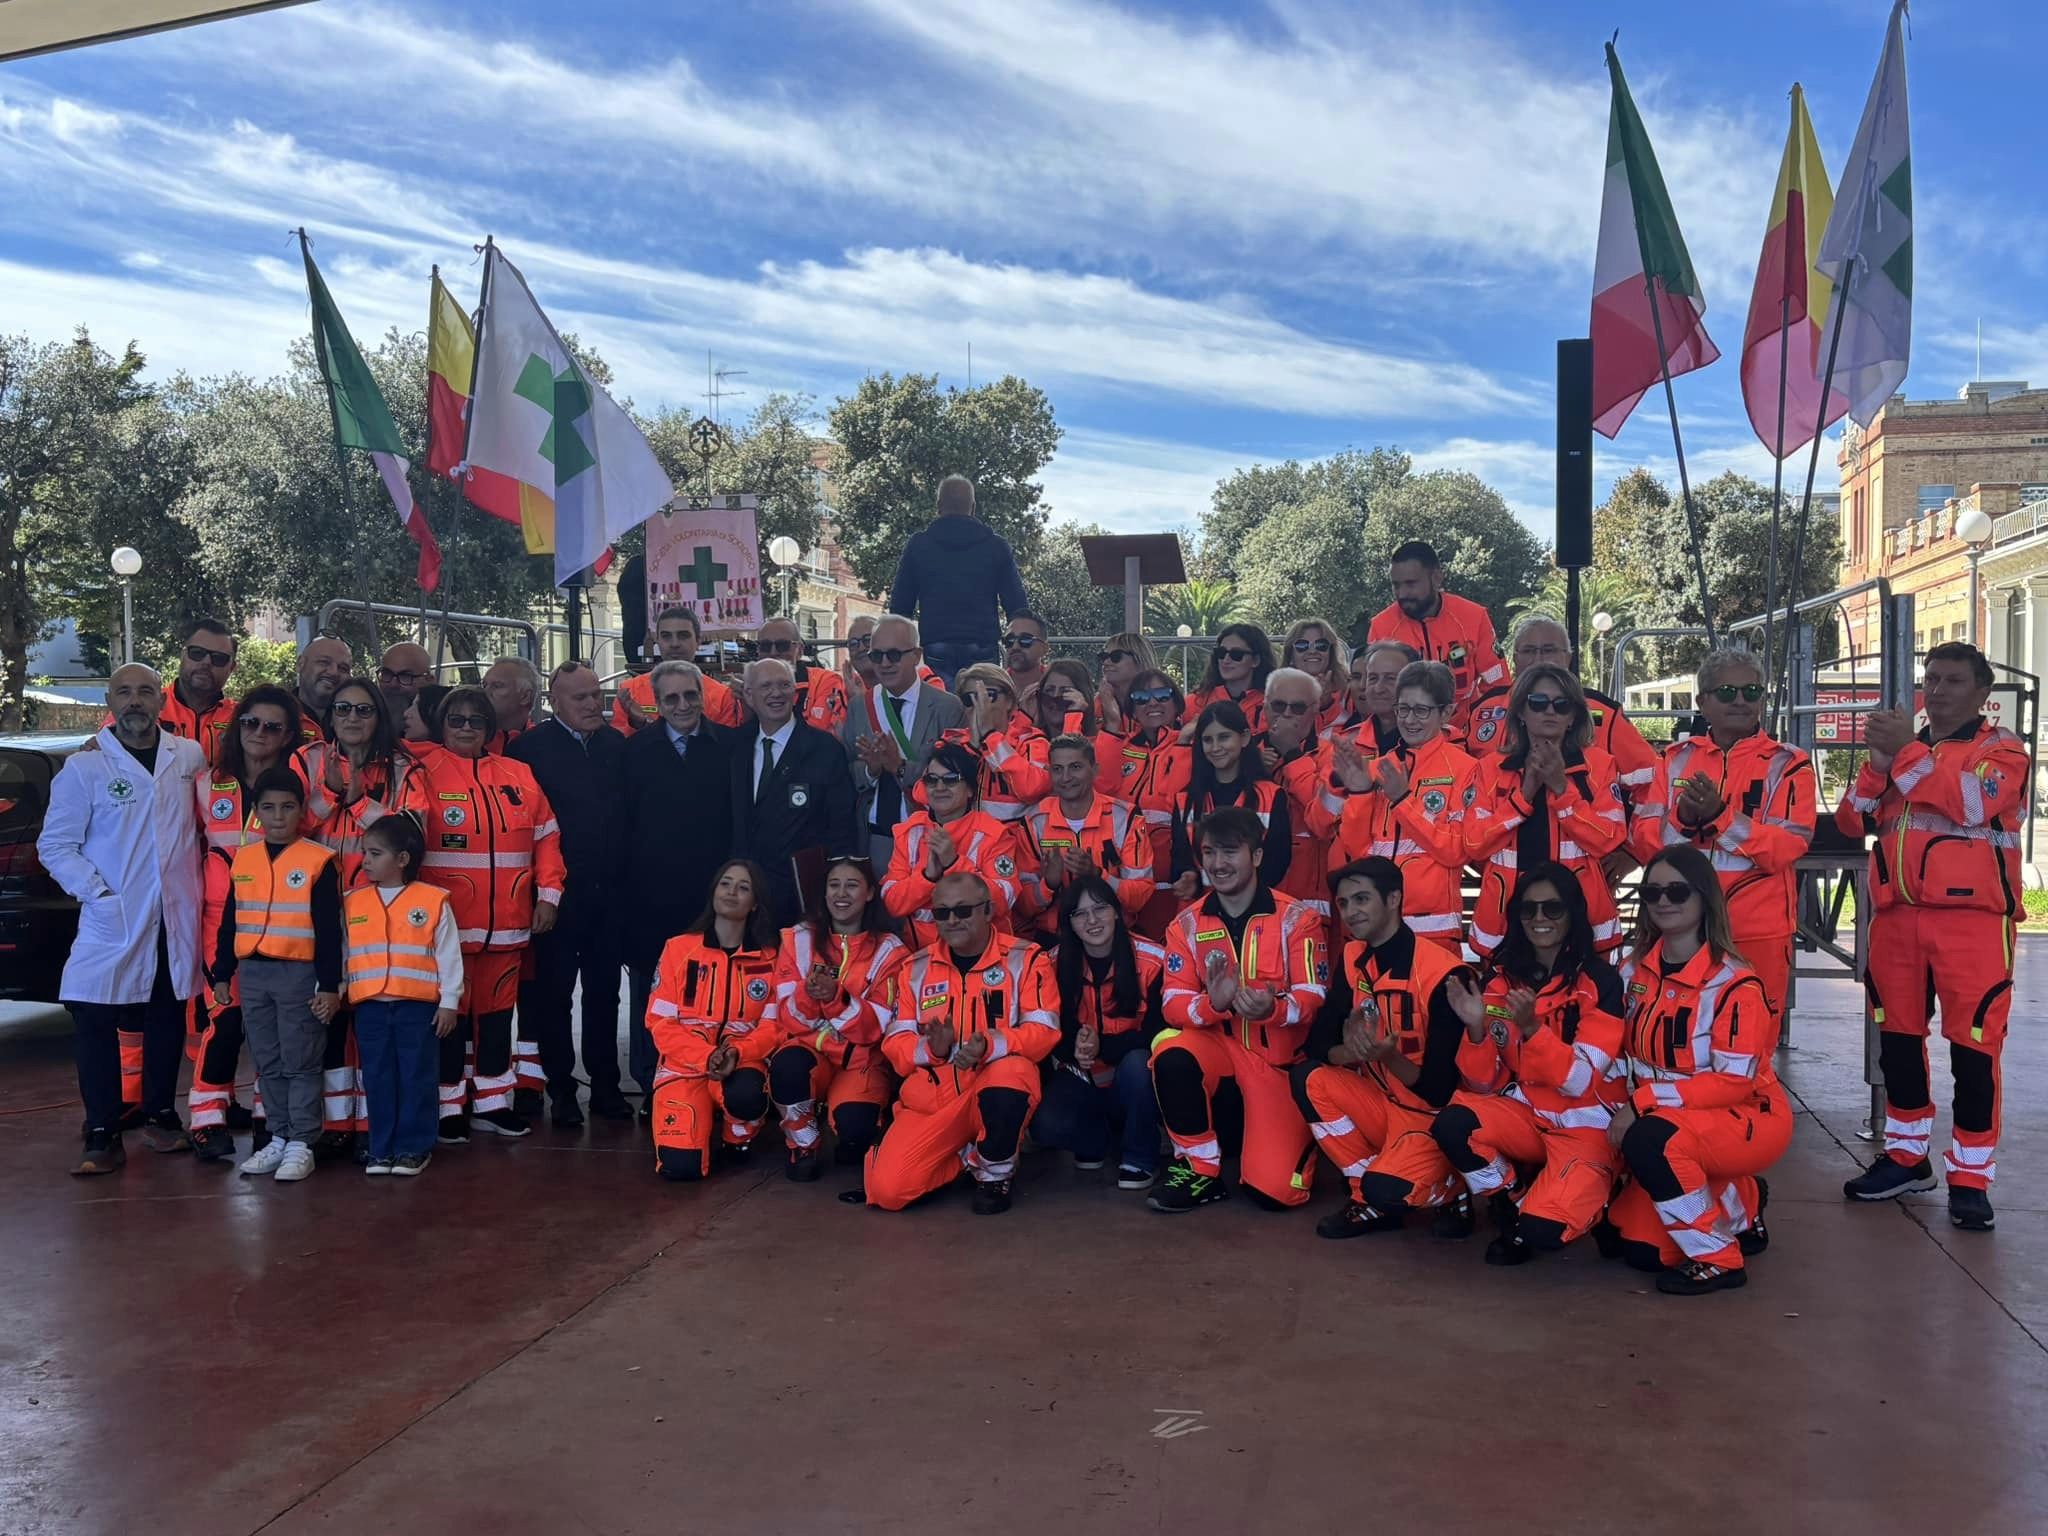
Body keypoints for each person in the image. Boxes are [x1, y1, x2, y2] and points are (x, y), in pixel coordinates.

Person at [1837, 642, 2028, 1231]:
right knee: (1896, 1042)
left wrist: (1904, 754)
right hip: (1896, 918)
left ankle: (1971, 1178)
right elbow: (1852, 819)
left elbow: (1970, 802)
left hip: (1972, 924)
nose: (1938, 689)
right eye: (1931, 679)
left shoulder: (2002, 750)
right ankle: (1905, 1155)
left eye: (1952, 680)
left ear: (1981, 691)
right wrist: (1876, 765)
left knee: (1973, 1049)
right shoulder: (1903, 753)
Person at [39, 664, 209, 1174]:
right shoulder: (85, 768)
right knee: (92, 1014)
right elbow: (56, 845)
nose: (135, 701)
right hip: (112, 915)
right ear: (110, 701)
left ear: (162, 701)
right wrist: (98, 892)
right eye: (124, 692)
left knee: (164, 1014)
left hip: (175, 913)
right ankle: (101, 1128)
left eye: (146, 692)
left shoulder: (190, 756)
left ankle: (161, 1114)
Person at [1605, 845, 1789, 1295]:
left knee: (1651, 1140)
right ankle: (1742, 1201)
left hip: (1745, 1117)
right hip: (1672, 1123)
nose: (1663, 901)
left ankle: (1718, 1258)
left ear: (1704, 897)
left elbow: (1732, 1082)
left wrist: (1642, 1102)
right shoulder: (1633, 972)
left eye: (1677, 891)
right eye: (1652, 892)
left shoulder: (1735, 983)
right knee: (1630, 1246)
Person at [1429, 862, 1626, 1264]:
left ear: (1571, 913)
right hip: (1528, 1113)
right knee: (1453, 1122)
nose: (1540, 918)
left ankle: (1603, 1196)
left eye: (1552, 909)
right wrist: (1476, 1029)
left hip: (1587, 1124)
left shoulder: (1602, 982)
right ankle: (1514, 1200)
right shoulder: (1502, 980)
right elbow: (1483, 1084)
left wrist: (1534, 1031)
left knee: (1545, 1233)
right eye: (1529, 910)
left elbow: (1578, 1081)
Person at [1149, 807, 1327, 1212]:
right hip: (1219, 1052)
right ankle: (1199, 1168)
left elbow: (1313, 996)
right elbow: (1173, 1005)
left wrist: (1273, 1008)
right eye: (1209, 853)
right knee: (1170, 1050)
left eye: (1230, 851)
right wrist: (1214, 1004)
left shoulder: (1297, 919)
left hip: (1275, 1066)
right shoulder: (1186, 924)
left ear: (1257, 857)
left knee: (1278, 1193)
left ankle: (1298, 1139)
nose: (1217, 863)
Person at [1291, 858, 1474, 1238]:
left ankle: (1453, 1187)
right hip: (1382, 1105)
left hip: (1432, 1120)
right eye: (1343, 904)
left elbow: (1441, 1089)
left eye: (1361, 899)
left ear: (1394, 898)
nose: (1351, 912)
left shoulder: (1444, 972)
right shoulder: (1352, 957)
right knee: (1309, 1077)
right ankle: (1365, 1196)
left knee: (1390, 1189)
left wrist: (1386, 1055)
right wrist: (1350, 1052)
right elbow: (1318, 1043)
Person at [1630, 648, 1815, 1022]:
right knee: (1677, 1037)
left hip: (1756, 931)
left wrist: (1720, 817)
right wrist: (1682, 819)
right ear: (1703, 701)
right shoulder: (1673, 759)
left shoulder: (1788, 763)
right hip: (1681, 927)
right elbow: (1643, 841)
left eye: (1753, 692)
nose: (1742, 701)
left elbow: (1786, 848)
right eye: (1728, 692)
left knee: (1753, 1046)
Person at [861, 870, 1058, 1214]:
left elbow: (1045, 1032)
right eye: (942, 913)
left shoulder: (1026, 959)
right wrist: (932, 1050)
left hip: (993, 1083)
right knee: (887, 1192)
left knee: (1011, 1072)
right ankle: (968, 1156)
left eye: (963, 910)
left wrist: (992, 1045)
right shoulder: (915, 968)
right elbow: (895, 1043)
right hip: (934, 1099)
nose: (952, 920)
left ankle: (994, 1176)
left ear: (987, 910)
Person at [418, 684, 564, 1141]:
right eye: (456, 720)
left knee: (498, 1018)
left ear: (489, 728)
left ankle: (493, 1104)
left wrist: (548, 897)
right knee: (450, 1018)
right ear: (441, 725)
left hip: (508, 926)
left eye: (475, 721)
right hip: (447, 930)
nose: (465, 728)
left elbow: (547, 838)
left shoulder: (519, 774)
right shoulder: (422, 771)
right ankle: (447, 1108)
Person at [298, 677, 430, 1155]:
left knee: (374, 1025)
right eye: (342, 709)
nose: (352, 718)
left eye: (363, 710)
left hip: (380, 918)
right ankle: (334, 1127)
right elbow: (276, 821)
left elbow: (414, 837)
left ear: (379, 716)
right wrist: (327, 796)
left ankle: (375, 1128)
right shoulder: (306, 760)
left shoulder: (404, 769)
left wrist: (359, 802)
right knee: (326, 1023)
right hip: (314, 914)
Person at [210, 766, 344, 1185]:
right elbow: (230, 921)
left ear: (302, 811)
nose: (278, 816)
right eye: (268, 808)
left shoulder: (318, 861)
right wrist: (221, 973)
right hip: (252, 974)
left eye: (287, 807)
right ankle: (280, 1135)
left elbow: (328, 930)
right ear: (256, 813)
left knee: (301, 1059)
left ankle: (303, 1140)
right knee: (267, 1060)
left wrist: (329, 985)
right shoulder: (244, 859)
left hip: (299, 975)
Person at [510, 661, 630, 1126]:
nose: (590, 704)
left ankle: (605, 1087)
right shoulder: (529, 751)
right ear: (553, 702)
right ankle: (560, 1090)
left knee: (605, 994)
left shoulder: (616, 746)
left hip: (609, 895)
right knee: (552, 996)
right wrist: (542, 893)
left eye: (595, 694)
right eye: (579, 697)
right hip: (557, 898)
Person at [189, 685, 305, 1148]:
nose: (259, 732)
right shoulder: (205, 782)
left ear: (287, 736)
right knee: (224, 1021)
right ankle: (206, 1118)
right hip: (218, 922)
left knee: (271, 1024)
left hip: (280, 920)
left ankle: (268, 1119)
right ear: (238, 727)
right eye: (251, 722)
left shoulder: (295, 787)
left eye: (272, 726)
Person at [618, 659, 733, 1121]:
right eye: (671, 698)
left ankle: (717, 1081)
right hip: (652, 895)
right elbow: (624, 826)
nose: (683, 705)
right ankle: (652, 1082)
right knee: (654, 992)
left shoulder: (728, 748)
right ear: (657, 703)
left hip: (712, 896)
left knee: (714, 992)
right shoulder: (636, 752)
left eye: (690, 695)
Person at [1463, 665, 1627, 959]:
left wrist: (1562, 792)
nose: (1549, 711)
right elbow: (1475, 843)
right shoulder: (1490, 768)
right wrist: (1523, 796)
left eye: (1561, 705)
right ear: (1521, 713)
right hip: (1507, 920)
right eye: (1538, 703)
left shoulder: (1600, 765)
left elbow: (1609, 839)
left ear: (1573, 716)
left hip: (1579, 918)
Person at [765, 855, 908, 1181]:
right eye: (834, 885)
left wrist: (835, 999)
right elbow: (786, 1017)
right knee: (788, 1067)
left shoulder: (891, 951)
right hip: (810, 1054)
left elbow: (876, 1028)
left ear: (870, 893)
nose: (841, 894)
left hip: (859, 1062)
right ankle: (803, 1143)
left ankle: (854, 1125)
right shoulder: (797, 939)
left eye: (852, 885)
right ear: (824, 893)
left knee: (855, 1137)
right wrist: (810, 994)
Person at [645, 860, 781, 1180]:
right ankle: (697, 1125)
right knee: (680, 1170)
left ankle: (737, 1136)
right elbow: (659, 1023)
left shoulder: (770, 958)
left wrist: (736, 1053)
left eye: (743, 887)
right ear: (713, 892)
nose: (732, 892)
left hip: (741, 1064)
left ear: (755, 903)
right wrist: (706, 1057)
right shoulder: (678, 949)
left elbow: (774, 1028)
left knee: (747, 1095)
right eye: (725, 883)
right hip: (684, 1067)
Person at [1329, 660, 1478, 952]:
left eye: (1421, 710)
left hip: (1433, 929)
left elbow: (1457, 850)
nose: (1410, 720)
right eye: (1403, 709)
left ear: (1446, 712)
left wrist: (1402, 800)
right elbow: (1356, 849)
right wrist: (1359, 792)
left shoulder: (1467, 769)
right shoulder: (1383, 767)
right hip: (1377, 927)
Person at [1028, 879, 1167, 1190]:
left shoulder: (1153, 959)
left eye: (1100, 908)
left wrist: (1103, 1046)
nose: (1091, 921)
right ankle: (1096, 1144)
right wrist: (1072, 1047)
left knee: (1138, 1064)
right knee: (1044, 1125)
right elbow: (1045, 1028)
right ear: (1069, 923)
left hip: (1132, 1080)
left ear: (1117, 913)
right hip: (1082, 1076)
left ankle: (1140, 1157)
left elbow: (1160, 1032)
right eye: (1079, 914)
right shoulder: (1049, 963)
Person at [345, 812, 463, 1177]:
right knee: (377, 1078)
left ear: (402, 859)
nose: (365, 861)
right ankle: (381, 1148)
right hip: (370, 1010)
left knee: (416, 1076)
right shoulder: (353, 902)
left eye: (375, 853)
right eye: (364, 852)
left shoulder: (432, 900)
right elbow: (345, 952)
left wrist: (449, 1002)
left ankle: (414, 1148)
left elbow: (448, 954)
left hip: (417, 1008)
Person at [1467, 614, 1658, 829]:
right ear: (1515, 658)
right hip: (1500, 854)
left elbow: (1653, 783)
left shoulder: (1604, 714)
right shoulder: (1480, 712)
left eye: (1549, 650)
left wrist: (1632, 851)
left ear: (1568, 657)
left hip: (1577, 852)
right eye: (1529, 651)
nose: (1538, 659)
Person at [731, 656, 859, 922]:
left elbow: (841, 826)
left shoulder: (825, 749)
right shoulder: (733, 746)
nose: (776, 693)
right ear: (749, 694)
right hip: (742, 899)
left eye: (784, 685)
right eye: (766, 686)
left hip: (800, 898)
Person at [842, 615, 964, 866]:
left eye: (894, 655)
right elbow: (845, 772)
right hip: (875, 837)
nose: (885, 663)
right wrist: (871, 769)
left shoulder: (946, 707)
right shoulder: (859, 707)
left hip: (929, 836)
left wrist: (898, 766)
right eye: (877, 655)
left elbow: (957, 779)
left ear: (917, 655)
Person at [886, 474, 1030, 686]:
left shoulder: (919, 546)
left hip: (936, 642)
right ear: (973, 507)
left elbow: (900, 605)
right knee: (982, 705)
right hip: (982, 642)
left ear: (939, 507)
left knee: (943, 708)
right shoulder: (995, 546)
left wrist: (898, 649)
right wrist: (1020, 643)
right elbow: (1016, 603)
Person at [883, 740, 1024, 947]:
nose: (940, 787)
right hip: (922, 957)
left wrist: (954, 863)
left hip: (983, 956)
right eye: (932, 779)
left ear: (969, 790)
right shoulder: (910, 831)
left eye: (951, 780)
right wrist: (927, 877)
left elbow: (1003, 900)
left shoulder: (994, 834)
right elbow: (892, 903)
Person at [1017, 734, 1152, 939]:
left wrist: (1097, 874)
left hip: (1115, 934)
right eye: (1057, 769)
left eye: (1075, 767)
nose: (1066, 778)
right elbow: (1023, 906)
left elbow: (1140, 896)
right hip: (1055, 938)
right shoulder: (1032, 821)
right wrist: (1049, 884)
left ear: (1094, 770)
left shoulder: (1125, 817)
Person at [1365, 540, 1504, 730]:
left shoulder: (1473, 617)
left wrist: (1481, 734)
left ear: (1437, 578)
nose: (1402, 593)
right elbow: (1375, 695)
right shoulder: (1382, 627)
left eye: (1411, 584)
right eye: (1396, 585)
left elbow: (1499, 687)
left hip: (1464, 736)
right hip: (1403, 736)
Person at [1094, 668, 1190, 935]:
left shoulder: (1190, 745)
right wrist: (1112, 725)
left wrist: (1182, 745)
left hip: (1173, 872)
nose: (1152, 703)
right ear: (1132, 709)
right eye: (1141, 697)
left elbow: (1175, 800)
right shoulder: (1118, 745)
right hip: (1124, 869)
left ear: (1177, 703)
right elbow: (1103, 789)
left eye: (1162, 695)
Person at [1168, 701, 1290, 901]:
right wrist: (1190, 878)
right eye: (1207, 740)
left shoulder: (1271, 795)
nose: (1215, 747)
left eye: (1224, 737)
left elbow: (1277, 863)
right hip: (1201, 912)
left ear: (1244, 738)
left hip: (1254, 910)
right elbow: (1180, 859)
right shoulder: (1185, 800)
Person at [1259, 667, 1342, 918]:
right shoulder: (1245, 752)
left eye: (1297, 708)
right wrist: (1253, 770)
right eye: (1278, 705)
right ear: (1264, 707)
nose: (1286, 714)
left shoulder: (1332, 756)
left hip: (1312, 905)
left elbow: (1324, 822)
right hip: (1258, 897)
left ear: (1315, 710)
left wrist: (1293, 755)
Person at [612, 607, 742, 734]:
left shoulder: (722, 696)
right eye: (666, 636)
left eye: (683, 636)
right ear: (657, 641)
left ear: (698, 641)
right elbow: (619, 745)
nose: (674, 644)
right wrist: (637, 723)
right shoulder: (630, 691)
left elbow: (727, 747)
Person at [953, 662, 1049, 823]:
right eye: (969, 698)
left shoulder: (1032, 741)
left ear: (1010, 701)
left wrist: (990, 737)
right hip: (965, 844)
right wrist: (973, 747)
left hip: (1014, 844)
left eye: (988, 695)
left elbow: (1032, 789)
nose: (979, 704)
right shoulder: (951, 742)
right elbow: (922, 794)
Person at [159, 615, 239, 766]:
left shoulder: (242, 719)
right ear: (182, 655)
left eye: (219, 658)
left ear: (232, 668)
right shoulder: (147, 707)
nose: (206, 662)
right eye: (197, 653)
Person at [758, 616, 851, 733]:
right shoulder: (749, 688)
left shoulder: (825, 681)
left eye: (782, 645)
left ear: (800, 650)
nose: (773, 652)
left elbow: (820, 734)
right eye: (765, 646)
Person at [1182, 623, 1276, 734]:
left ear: (1255, 660)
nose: (1226, 660)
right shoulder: (1193, 703)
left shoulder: (1274, 705)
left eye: (1236, 654)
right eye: (1221, 653)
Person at [1323, 640, 1414, 753]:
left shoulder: (1432, 739)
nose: (1378, 688)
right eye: (1373, 678)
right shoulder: (1346, 744)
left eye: (1390, 678)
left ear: (1415, 683)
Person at [1282, 617, 1350, 735]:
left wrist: (1327, 704)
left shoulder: (1350, 690)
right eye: (1302, 645)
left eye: (1321, 645)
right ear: (1291, 656)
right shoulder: (1275, 693)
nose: (1312, 651)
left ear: (1331, 652)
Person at [1092, 631, 1158, 735]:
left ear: (1140, 660)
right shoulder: (1098, 703)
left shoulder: (1160, 701)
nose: (1106, 662)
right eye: (1104, 656)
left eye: (1116, 657)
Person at [294, 635, 353, 741]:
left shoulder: (357, 721)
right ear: (300, 664)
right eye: (324, 662)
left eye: (343, 668)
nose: (333, 672)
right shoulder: (275, 716)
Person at [482, 656, 540, 755]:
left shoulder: (543, 744)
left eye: (497, 686)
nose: (485, 692)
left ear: (525, 696)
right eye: (484, 685)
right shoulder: (470, 738)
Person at [1030, 658, 1097, 742]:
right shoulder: (1028, 740)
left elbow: (1070, 752)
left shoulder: (1096, 746)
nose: (1055, 696)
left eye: (1065, 691)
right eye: (1049, 690)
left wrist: (1074, 715)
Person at [375, 642, 436, 722]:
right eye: (387, 674)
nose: (393, 684)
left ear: (429, 680)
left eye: (405, 676)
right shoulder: (364, 720)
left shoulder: (447, 726)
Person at [1001, 611, 1051, 704]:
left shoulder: (1057, 688)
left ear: (1045, 648)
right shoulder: (994, 686)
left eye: (1025, 639)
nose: (1015, 646)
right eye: (1010, 640)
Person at [844, 614, 878, 690]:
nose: (861, 648)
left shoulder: (905, 688)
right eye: (853, 643)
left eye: (868, 640)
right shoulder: (840, 694)